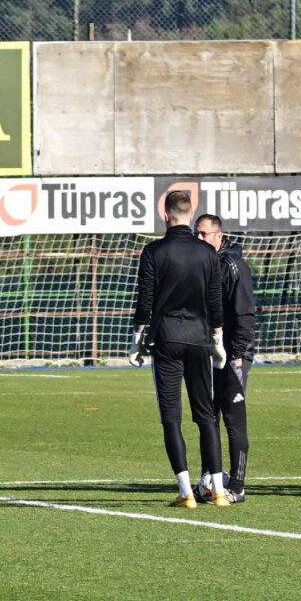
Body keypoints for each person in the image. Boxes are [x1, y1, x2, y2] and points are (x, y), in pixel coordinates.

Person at [133, 186, 225, 507]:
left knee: (171, 417)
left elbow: (145, 299)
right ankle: (219, 491)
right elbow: (215, 301)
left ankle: (187, 492)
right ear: (189, 215)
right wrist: (218, 338)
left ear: (165, 215)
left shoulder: (153, 252)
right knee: (207, 416)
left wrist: (137, 337)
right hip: (200, 339)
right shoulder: (208, 254)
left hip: (166, 338)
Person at [195, 211, 257, 504]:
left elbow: (244, 312)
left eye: (203, 234)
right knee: (208, 418)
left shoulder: (233, 265)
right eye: (196, 233)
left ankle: (238, 484)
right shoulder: (202, 263)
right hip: (206, 354)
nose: (198, 238)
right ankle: (210, 477)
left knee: (234, 419)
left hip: (232, 355)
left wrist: (239, 354)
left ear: (218, 236)